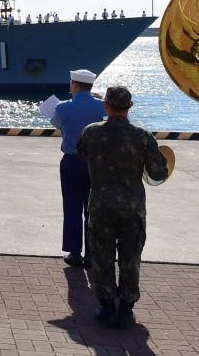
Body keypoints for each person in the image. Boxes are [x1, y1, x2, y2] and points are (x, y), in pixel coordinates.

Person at [77, 86, 167, 328]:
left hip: (101, 206)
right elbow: (159, 172)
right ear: (130, 107)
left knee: (102, 257)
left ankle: (107, 309)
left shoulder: (91, 133)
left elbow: (82, 154)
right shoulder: (143, 136)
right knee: (130, 258)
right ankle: (126, 311)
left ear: (105, 105)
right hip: (132, 207)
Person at [50, 69, 105, 268]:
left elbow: (58, 124)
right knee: (93, 209)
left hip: (72, 161)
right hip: (96, 164)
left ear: (74, 84)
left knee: (72, 207)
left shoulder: (62, 107)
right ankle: (92, 253)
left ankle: (74, 252)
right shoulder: (102, 106)